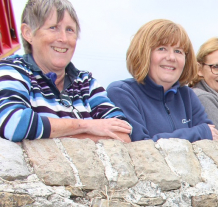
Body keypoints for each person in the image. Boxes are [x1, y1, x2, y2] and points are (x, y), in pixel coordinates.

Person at [0, 0, 130, 142]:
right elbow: (14, 124)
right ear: (28, 33)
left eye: (69, 30)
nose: (63, 39)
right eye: (53, 27)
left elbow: (122, 134)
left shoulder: (86, 82)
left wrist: (45, 134)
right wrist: (87, 125)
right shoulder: (11, 70)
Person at [107, 19, 217, 142]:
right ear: (143, 53)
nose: (171, 57)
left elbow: (212, 138)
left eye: (178, 51)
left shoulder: (187, 96)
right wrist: (199, 132)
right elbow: (139, 147)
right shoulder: (122, 93)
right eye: (162, 49)